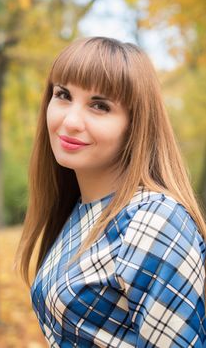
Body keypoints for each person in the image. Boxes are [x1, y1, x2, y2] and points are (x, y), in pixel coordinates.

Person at [15, 36, 206, 347]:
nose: (71, 121)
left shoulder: (153, 220)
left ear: (134, 125)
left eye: (100, 105)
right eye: (63, 95)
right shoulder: (79, 211)